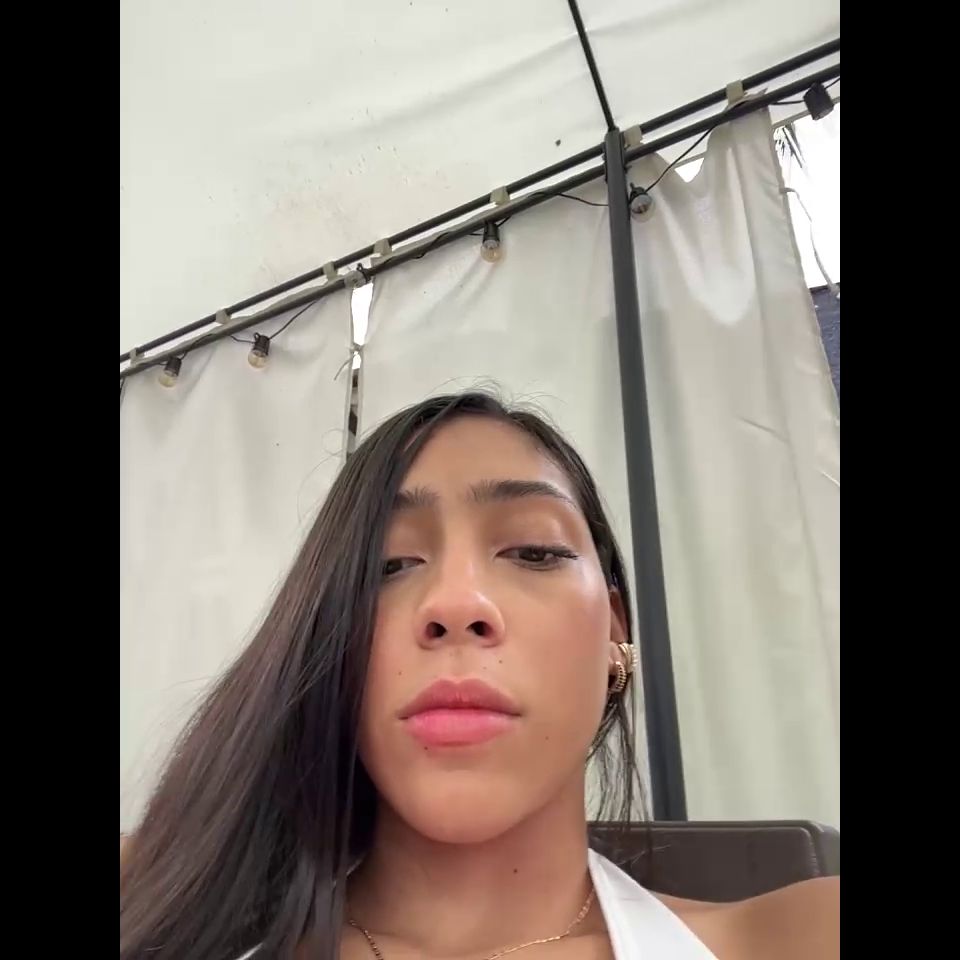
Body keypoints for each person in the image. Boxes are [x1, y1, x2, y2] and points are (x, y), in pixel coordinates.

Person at [120, 391, 839, 960]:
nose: (456, 604)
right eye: (388, 565)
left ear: (614, 631)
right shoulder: (157, 910)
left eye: (533, 551)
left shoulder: (807, 936)